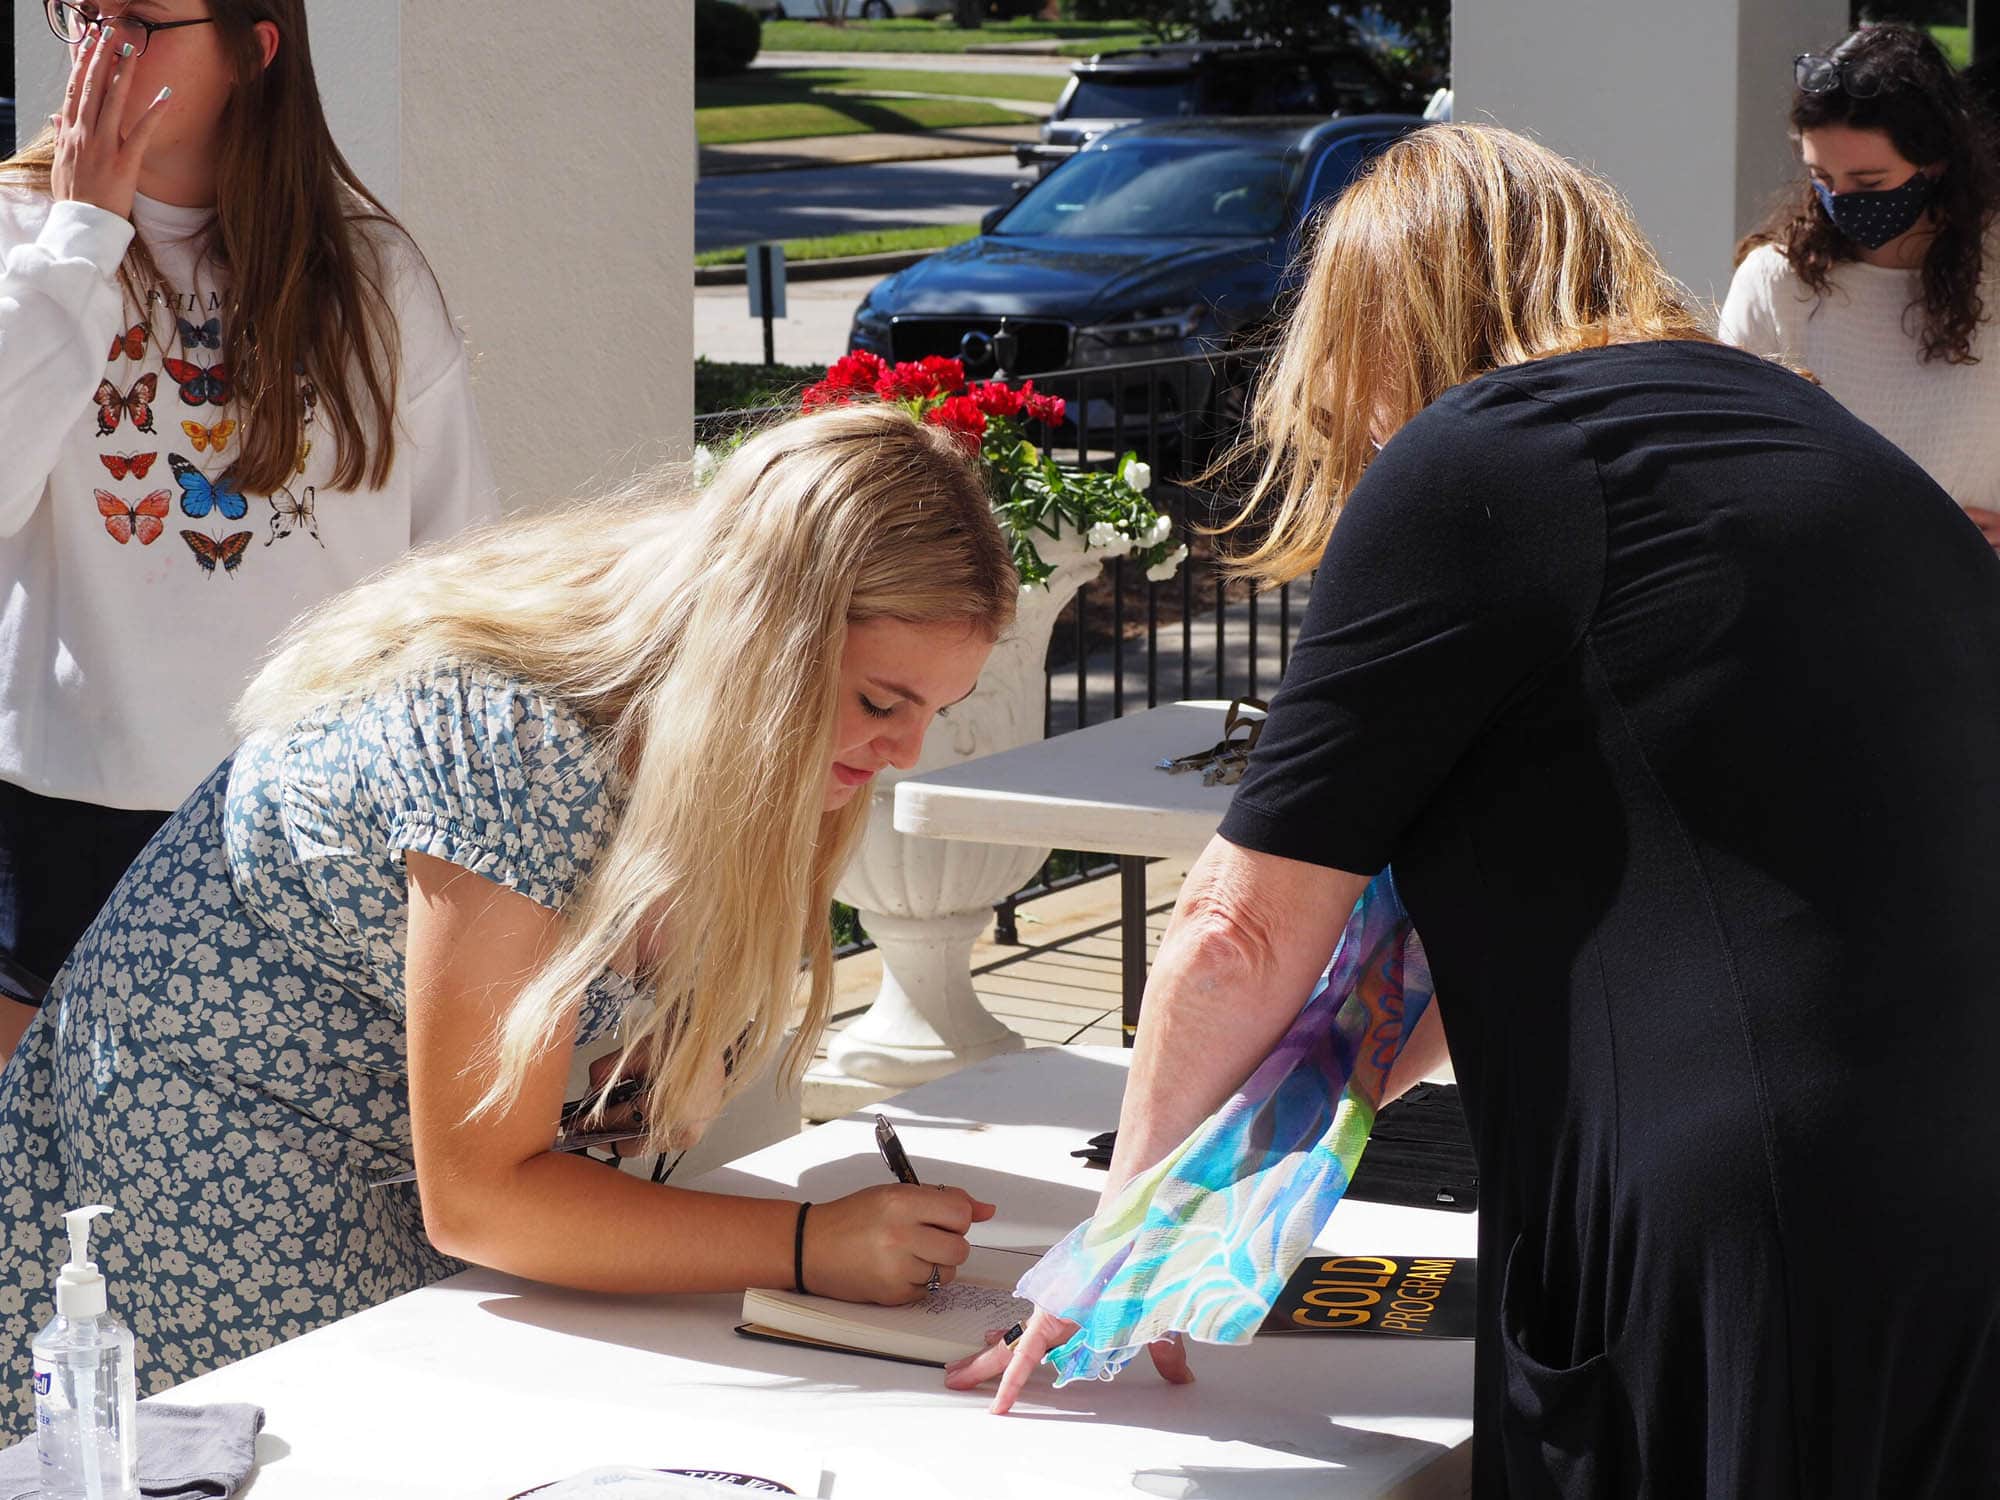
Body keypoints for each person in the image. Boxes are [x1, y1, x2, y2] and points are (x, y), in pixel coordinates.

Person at [949, 124, 2000, 1497]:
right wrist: (1264, 1159)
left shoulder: (1484, 453)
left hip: (1751, 1230)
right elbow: (1547, 870)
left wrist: (1120, 1254)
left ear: (1384, 327)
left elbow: (1234, 930)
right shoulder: (1796, 427)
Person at [0, 402, 1014, 1434]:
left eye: (937, 708)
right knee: (340, 1448)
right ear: (762, 643)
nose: (906, 752)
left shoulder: (696, 718)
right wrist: (808, 1245)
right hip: (208, 1155)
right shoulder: (513, 744)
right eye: (881, 703)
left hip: (361, 1158)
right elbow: (484, 1199)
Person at [0, 0, 497, 1029]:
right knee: (45, 1182)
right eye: (80, 14)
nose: (100, 51)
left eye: (138, 21)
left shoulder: (370, 275)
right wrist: (82, 235)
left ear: (252, 49)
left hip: (304, 835)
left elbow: (455, 581)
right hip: (58, 831)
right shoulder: (18, 235)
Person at [1720, 23, 2000, 545]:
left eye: (1870, 183)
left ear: (1935, 162)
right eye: (1821, 178)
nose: (1841, 200)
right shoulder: (1776, 280)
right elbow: (1729, 469)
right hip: (1839, 606)